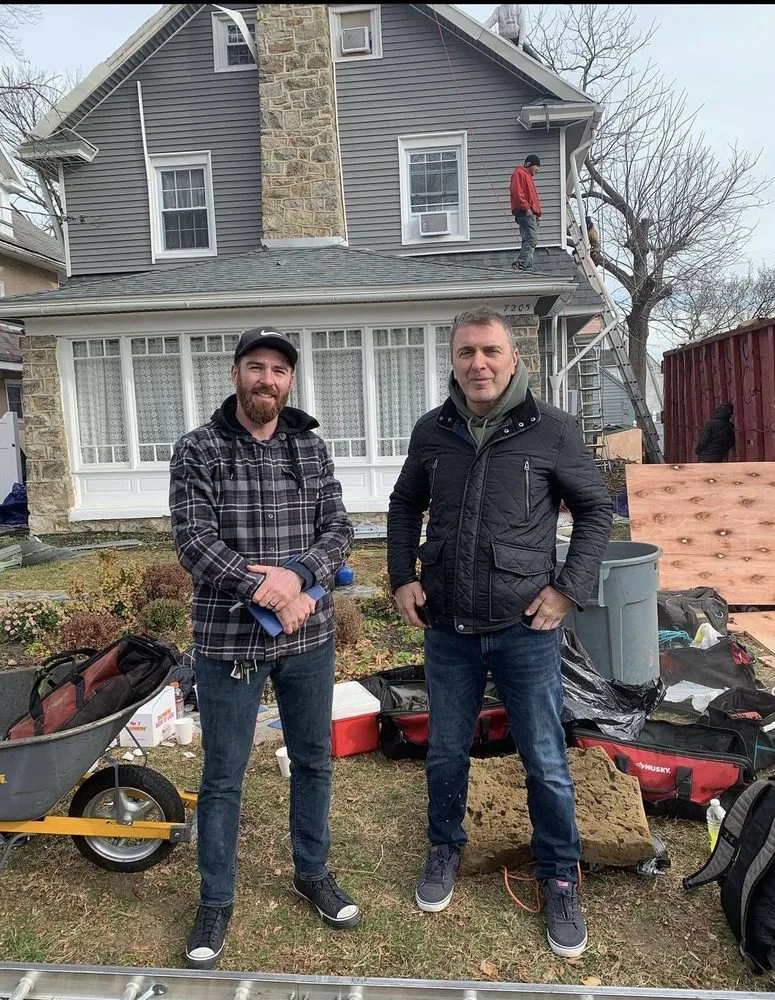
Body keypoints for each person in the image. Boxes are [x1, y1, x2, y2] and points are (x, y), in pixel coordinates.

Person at [387, 308, 612, 959]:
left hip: (526, 630)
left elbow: (596, 509)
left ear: (513, 358)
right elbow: (405, 504)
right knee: (446, 752)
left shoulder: (553, 431)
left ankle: (560, 875)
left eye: (489, 351)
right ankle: (443, 849)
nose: (477, 364)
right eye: (466, 353)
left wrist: (568, 589)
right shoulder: (433, 431)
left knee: (544, 760)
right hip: (448, 629)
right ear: (453, 361)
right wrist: (403, 575)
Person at [169, 326, 360, 971]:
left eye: (279, 370)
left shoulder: (310, 447)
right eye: (256, 367)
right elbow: (194, 543)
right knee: (223, 775)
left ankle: (313, 874)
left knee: (313, 760)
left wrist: (299, 578)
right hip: (227, 641)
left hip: (310, 639)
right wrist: (272, 589)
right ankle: (214, 901)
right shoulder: (197, 451)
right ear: (235, 375)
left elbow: (340, 530)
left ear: (289, 381)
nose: (267, 380)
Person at [510, 154, 542, 272]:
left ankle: (527, 265)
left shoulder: (527, 176)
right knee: (532, 239)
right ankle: (522, 264)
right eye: (536, 166)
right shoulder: (520, 173)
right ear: (529, 164)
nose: (538, 169)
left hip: (530, 214)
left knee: (528, 240)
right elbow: (517, 192)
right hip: (525, 213)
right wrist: (526, 208)